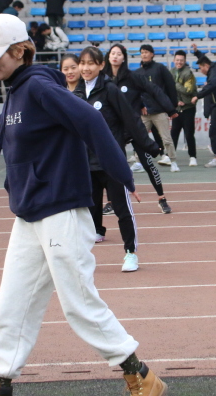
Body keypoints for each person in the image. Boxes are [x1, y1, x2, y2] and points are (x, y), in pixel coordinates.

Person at [0, 14, 167, 396]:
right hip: (29, 215)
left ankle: (142, 378)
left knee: (79, 304)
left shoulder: (38, 87)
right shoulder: (15, 94)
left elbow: (91, 121)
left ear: (21, 51)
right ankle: (0, 382)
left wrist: (123, 175)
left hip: (61, 211)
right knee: (12, 304)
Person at [73, 46, 161, 271]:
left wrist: (150, 146)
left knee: (122, 210)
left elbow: (131, 119)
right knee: (87, 212)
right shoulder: (77, 93)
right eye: (82, 63)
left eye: (90, 63)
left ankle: (130, 253)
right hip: (86, 163)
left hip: (111, 162)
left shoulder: (110, 90)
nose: (85, 68)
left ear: (101, 65)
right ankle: (83, 257)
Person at [104, 44, 175, 214]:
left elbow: (153, 90)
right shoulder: (103, 78)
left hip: (134, 127)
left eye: (119, 54)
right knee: (112, 167)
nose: (115, 56)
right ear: (108, 57)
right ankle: (112, 202)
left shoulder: (133, 77)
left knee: (148, 164)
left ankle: (162, 198)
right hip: (114, 129)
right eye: (113, 53)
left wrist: (170, 108)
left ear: (124, 57)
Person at [134, 44, 180, 172]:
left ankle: (173, 161)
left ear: (152, 54)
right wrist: (139, 106)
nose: (144, 54)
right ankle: (138, 163)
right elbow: (135, 93)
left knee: (166, 138)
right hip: (144, 112)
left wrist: (172, 106)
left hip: (159, 111)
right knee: (139, 138)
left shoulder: (160, 68)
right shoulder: (137, 73)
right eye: (142, 52)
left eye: (146, 52)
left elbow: (170, 86)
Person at [190, 46, 216, 168]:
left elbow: (212, 84)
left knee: (215, 131)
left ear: (205, 66)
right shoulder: (214, 67)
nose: (201, 71)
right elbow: (204, 59)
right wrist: (197, 53)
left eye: (200, 68)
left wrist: (198, 96)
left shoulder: (215, 72)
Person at [170, 50, 198, 166]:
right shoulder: (171, 72)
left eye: (181, 60)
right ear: (174, 60)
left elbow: (188, 90)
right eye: (177, 60)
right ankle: (170, 157)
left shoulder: (189, 73)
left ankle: (192, 157)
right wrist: (176, 101)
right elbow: (168, 90)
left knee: (189, 134)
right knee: (174, 133)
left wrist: (175, 84)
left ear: (185, 61)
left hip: (188, 107)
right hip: (176, 108)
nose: (179, 62)